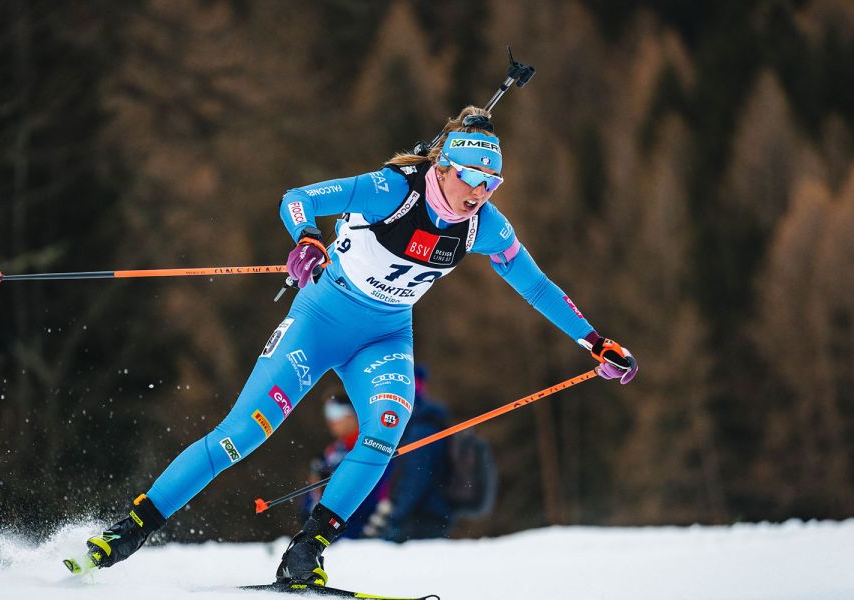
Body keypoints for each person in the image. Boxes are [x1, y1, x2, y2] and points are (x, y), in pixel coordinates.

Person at [77, 106, 638, 586]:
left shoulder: (484, 226)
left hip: (387, 335)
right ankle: (130, 530)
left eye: (492, 184)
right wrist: (306, 239)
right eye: (472, 178)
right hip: (319, 320)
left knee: (388, 426)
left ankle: (306, 553)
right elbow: (296, 199)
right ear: (444, 167)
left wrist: (595, 342)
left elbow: (534, 284)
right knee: (242, 434)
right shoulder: (388, 190)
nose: (480, 193)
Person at [300, 390, 391, 539]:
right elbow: (308, 505)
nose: (331, 421)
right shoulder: (330, 454)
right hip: (333, 539)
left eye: (336, 413)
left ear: (352, 415)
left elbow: (373, 494)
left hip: (364, 538)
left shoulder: (373, 448)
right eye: (328, 414)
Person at [383, 364, 453, 542]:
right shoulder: (418, 424)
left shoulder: (421, 429)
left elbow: (417, 477)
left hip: (421, 520)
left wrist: (395, 516)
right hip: (423, 518)